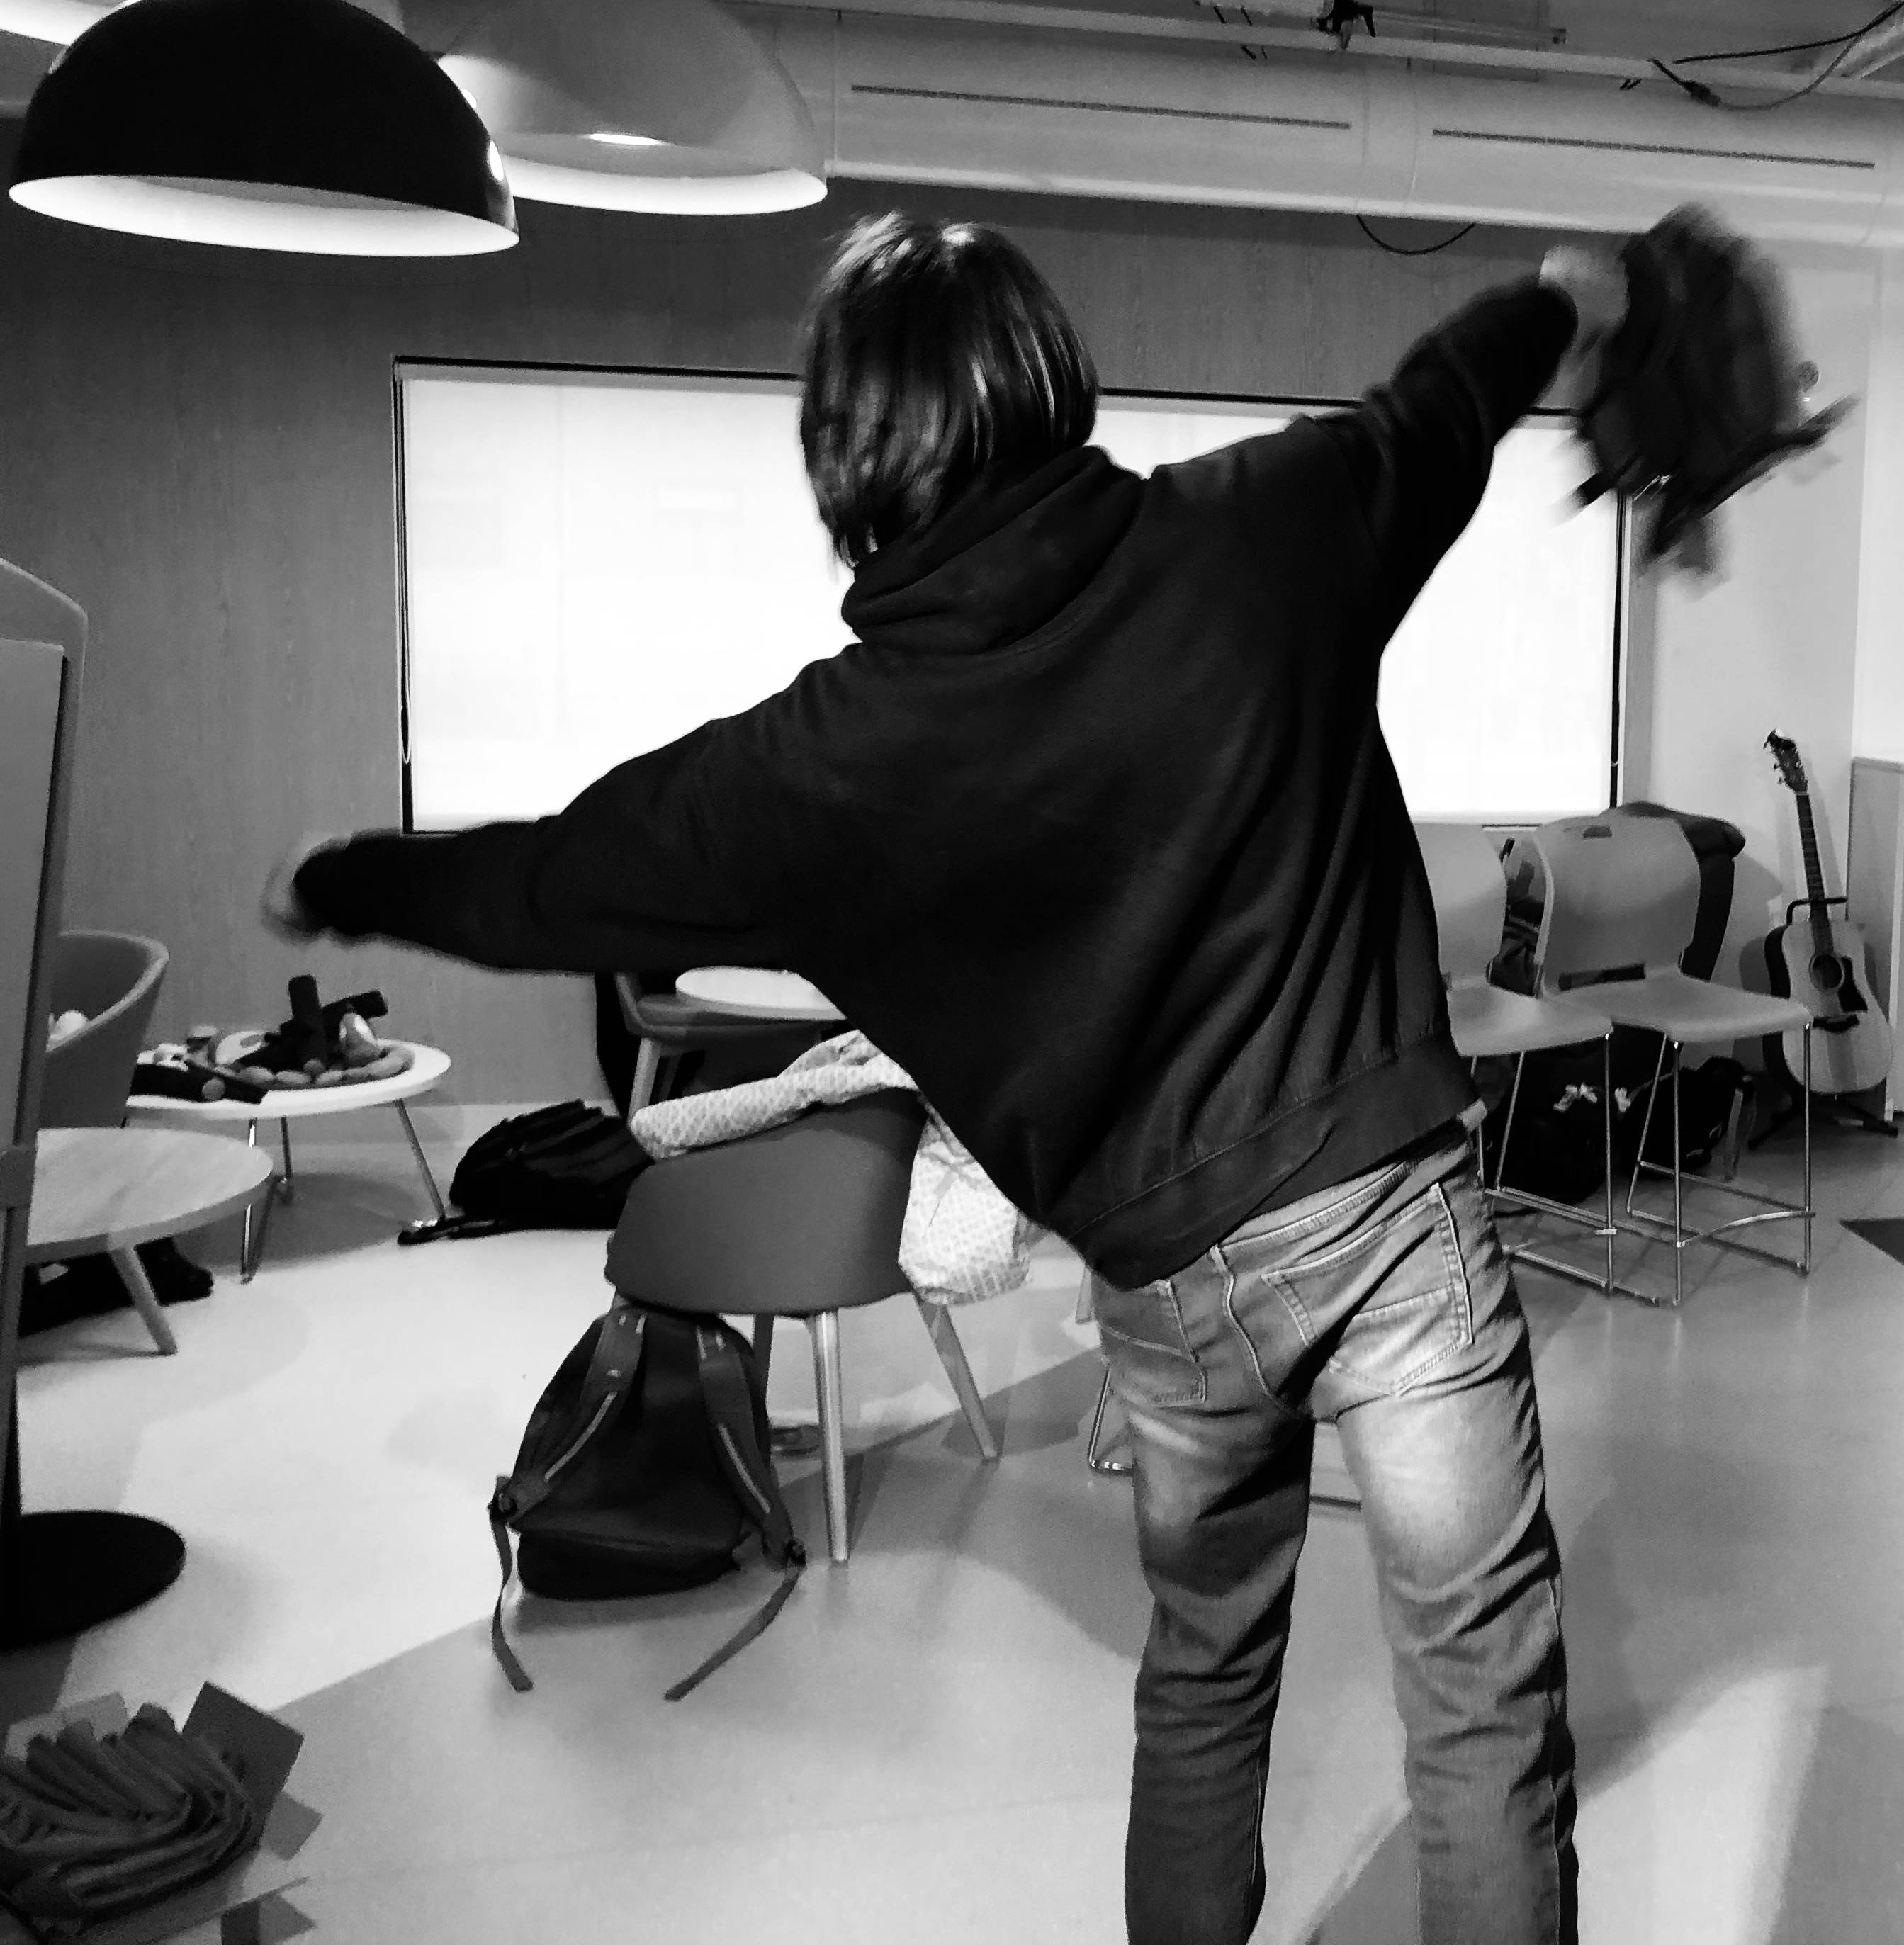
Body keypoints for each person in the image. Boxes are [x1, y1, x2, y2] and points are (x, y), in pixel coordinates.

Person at [262, 215, 1628, 1945]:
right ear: (1046, 379)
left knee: (1204, 1675)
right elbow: (1445, 396)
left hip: (1168, 1290)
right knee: (1484, 1698)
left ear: (845, 461)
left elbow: (548, 877)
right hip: (1390, 1226)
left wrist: (347, 878)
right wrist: (1559, 299)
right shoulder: (1266, 528)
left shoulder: (816, 768)